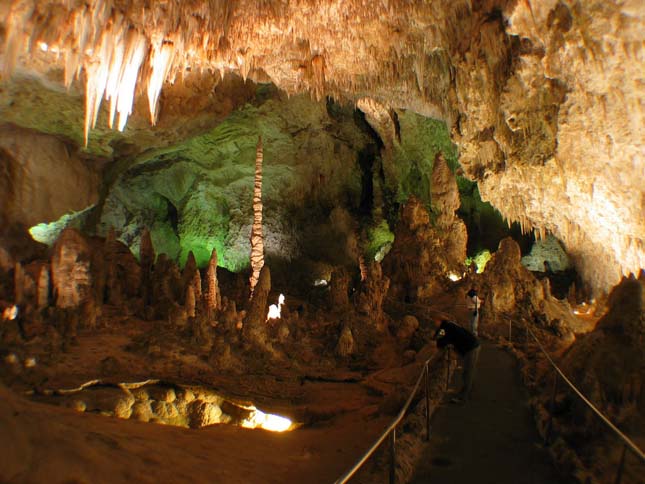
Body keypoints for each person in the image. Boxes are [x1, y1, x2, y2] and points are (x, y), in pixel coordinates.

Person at [433, 319, 481, 403]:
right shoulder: (449, 325)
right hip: (472, 345)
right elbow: (439, 335)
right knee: (469, 372)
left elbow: (441, 341)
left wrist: (437, 341)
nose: (434, 324)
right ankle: (467, 392)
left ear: (439, 321)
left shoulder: (446, 328)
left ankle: (463, 398)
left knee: (467, 373)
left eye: (435, 322)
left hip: (471, 348)